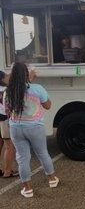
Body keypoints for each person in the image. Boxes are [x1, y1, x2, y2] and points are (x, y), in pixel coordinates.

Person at [4, 63, 59, 198]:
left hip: (16, 128)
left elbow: (8, 112)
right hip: (35, 127)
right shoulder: (37, 89)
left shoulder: (8, 91)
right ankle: (52, 180)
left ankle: (27, 189)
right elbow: (48, 106)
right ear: (26, 74)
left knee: (22, 158)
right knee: (42, 153)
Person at [0, 70, 18, 178]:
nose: (8, 78)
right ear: (2, 79)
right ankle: (7, 171)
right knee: (9, 146)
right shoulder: (7, 90)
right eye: (6, 76)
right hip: (4, 119)